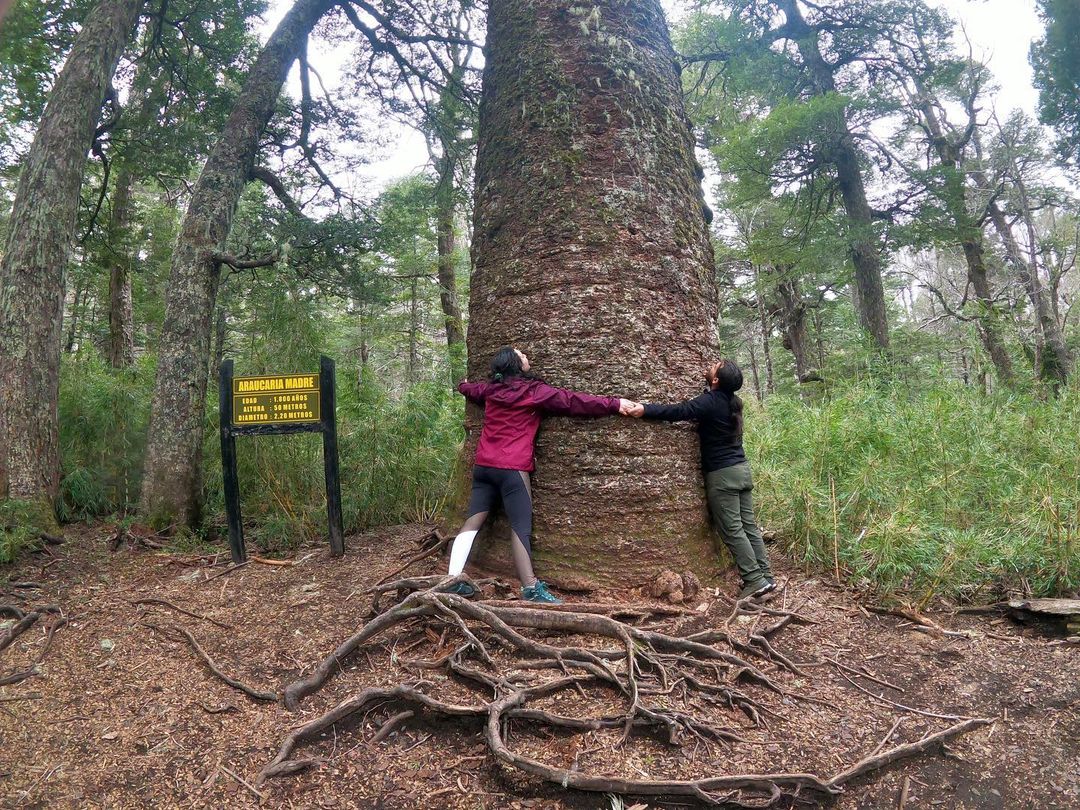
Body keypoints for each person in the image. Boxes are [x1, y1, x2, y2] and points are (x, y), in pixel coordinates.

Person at [447, 346, 640, 604]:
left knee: (472, 522)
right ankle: (530, 588)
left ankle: (452, 580)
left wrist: (462, 385)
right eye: (521, 355)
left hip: (484, 467)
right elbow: (574, 401)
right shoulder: (533, 392)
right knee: (520, 526)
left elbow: (472, 390)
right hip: (511, 469)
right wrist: (615, 404)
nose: (527, 356)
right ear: (515, 364)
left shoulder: (491, 390)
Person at [629, 359, 775, 599]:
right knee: (748, 526)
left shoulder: (710, 402)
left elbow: (679, 411)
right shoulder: (734, 402)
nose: (710, 365)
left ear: (716, 380)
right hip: (742, 470)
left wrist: (644, 409)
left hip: (723, 474)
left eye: (715, 366)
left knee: (732, 530)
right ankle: (766, 577)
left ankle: (754, 580)